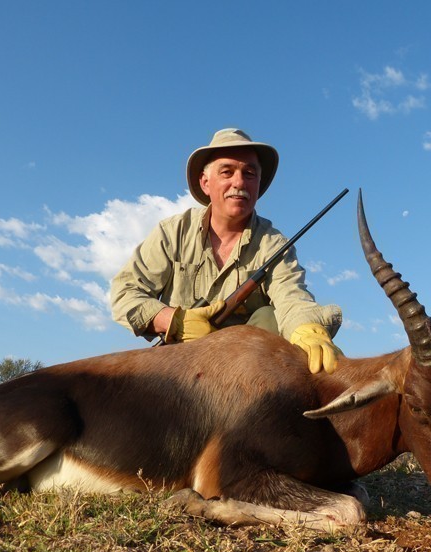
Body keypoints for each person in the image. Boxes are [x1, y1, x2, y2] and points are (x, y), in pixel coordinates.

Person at [110, 128, 342, 373]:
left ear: (258, 184)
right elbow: (125, 293)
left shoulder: (274, 244)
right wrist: (174, 321)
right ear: (205, 182)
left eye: (249, 173)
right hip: (177, 367)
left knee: (270, 317)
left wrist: (307, 329)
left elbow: (292, 298)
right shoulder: (173, 232)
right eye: (227, 172)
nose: (239, 182)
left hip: (246, 372)